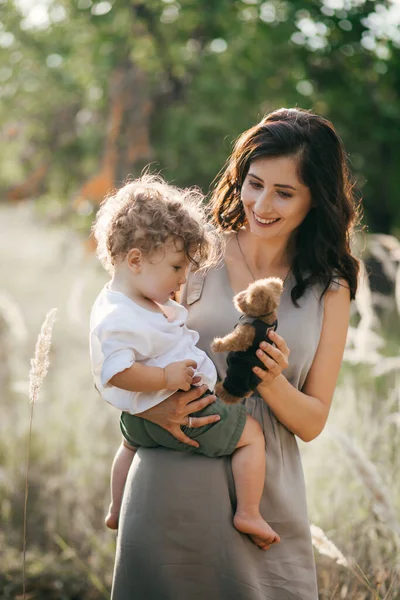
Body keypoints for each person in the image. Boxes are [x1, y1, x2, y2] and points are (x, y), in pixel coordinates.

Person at [111, 108, 360, 600]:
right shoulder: (193, 254)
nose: (261, 204)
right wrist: (159, 408)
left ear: (317, 199)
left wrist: (270, 380)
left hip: (268, 499)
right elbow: (120, 345)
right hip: (170, 480)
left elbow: (311, 423)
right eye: (254, 183)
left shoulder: (331, 287)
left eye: (284, 193)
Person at [90, 174, 280, 548]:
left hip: (139, 423)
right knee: (252, 437)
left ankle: (116, 507)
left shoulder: (131, 302)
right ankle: (249, 512)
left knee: (127, 447)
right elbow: (115, 372)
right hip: (183, 409)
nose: (182, 277)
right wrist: (164, 377)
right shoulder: (118, 317)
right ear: (135, 260)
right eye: (176, 267)